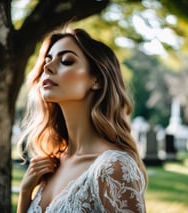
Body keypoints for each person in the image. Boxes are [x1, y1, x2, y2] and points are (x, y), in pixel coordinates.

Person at [17, 28, 147, 213]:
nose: (47, 67)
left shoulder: (113, 167)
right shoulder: (52, 164)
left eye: (66, 61)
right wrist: (25, 192)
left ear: (97, 80)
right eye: (47, 60)